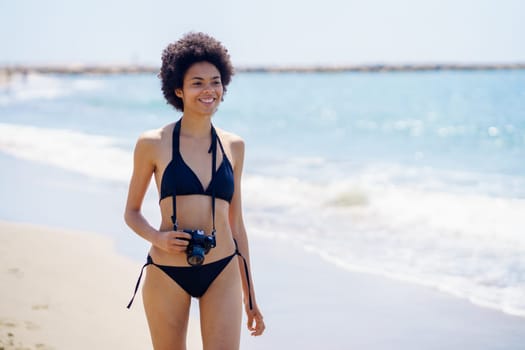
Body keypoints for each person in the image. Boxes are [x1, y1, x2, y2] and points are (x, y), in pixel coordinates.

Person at [124, 32, 265, 349]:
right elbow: (131, 213)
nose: (208, 90)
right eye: (197, 82)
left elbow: (237, 224)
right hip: (166, 271)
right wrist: (157, 238)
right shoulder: (152, 143)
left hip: (223, 268)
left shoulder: (235, 146)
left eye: (215, 82)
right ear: (179, 90)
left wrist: (250, 296)